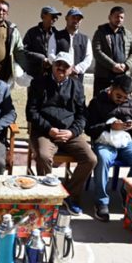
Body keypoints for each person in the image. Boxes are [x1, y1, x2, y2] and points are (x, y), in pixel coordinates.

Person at [26, 52, 97, 216]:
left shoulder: (77, 86)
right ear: (52, 65)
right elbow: (31, 112)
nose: (61, 68)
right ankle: (47, 198)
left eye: (66, 66)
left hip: (68, 132)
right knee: (43, 156)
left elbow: (82, 115)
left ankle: (68, 194)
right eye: (58, 64)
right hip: (45, 131)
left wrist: (72, 132)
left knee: (91, 159)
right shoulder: (39, 83)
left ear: (71, 69)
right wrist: (48, 128)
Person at [86, 74, 132, 222]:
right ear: (111, 89)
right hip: (104, 141)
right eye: (118, 95)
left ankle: (126, 191)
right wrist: (109, 125)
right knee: (102, 158)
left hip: (126, 142)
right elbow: (89, 129)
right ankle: (101, 202)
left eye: (125, 98)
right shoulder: (97, 101)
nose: (121, 100)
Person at [92, 6, 132, 95]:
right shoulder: (100, 32)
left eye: (121, 17)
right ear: (110, 17)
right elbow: (97, 51)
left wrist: (126, 65)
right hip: (104, 76)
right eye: (116, 16)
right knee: (101, 101)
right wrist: (113, 65)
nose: (119, 19)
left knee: (122, 103)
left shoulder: (127, 34)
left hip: (123, 76)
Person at [47, 7, 93, 84]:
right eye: (73, 17)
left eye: (78, 19)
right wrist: (63, 68)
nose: (76, 20)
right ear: (66, 18)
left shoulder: (85, 39)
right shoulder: (56, 36)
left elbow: (88, 58)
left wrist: (76, 69)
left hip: (77, 76)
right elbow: (51, 55)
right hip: (59, 75)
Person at [23, 6, 61, 79]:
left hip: (52, 74)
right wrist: (41, 58)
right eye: (53, 16)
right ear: (43, 16)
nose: (55, 19)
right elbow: (24, 52)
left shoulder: (57, 35)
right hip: (34, 74)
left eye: (56, 17)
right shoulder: (32, 33)